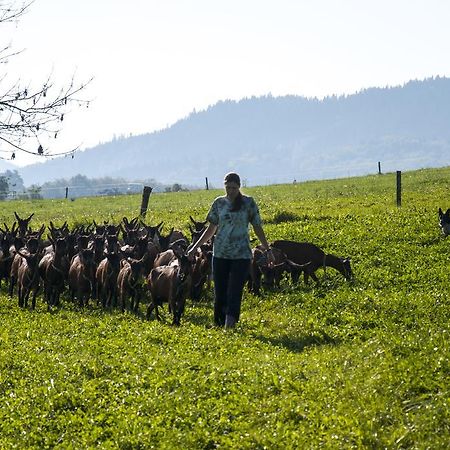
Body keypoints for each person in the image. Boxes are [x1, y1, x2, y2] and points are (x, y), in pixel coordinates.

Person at [187, 172, 274, 329]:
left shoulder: (248, 203)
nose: (231, 191)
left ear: (239, 187)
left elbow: (257, 226)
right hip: (220, 254)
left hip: (241, 255)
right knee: (220, 290)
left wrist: (267, 249)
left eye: (234, 188)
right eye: (228, 187)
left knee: (234, 289)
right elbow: (211, 228)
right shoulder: (219, 203)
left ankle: (230, 322)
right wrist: (195, 247)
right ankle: (219, 323)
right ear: (224, 186)